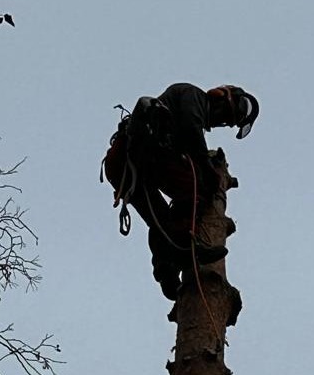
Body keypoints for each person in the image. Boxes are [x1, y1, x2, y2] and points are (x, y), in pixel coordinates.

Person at [103, 83, 259, 299]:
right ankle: (187, 247)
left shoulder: (183, 118)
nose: (220, 122)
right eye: (224, 115)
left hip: (127, 164)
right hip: (138, 154)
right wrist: (206, 167)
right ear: (220, 96)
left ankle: (166, 270)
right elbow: (191, 129)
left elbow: (188, 135)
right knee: (198, 187)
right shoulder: (191, 94)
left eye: (226, 122)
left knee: (161, 220)